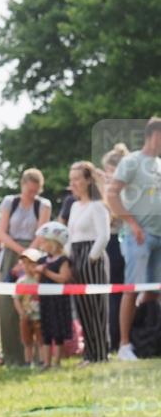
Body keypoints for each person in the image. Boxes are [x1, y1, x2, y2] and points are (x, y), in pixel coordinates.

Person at [107, 116, 161, 361]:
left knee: (153, 291)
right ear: (154, 135)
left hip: (159, 235)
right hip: (138, 236)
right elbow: (112, 194)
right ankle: (124, 345)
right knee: (131, 288)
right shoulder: (132, 162)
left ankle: (146, 336)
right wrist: (132, 223)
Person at [0, 168, 53, 365]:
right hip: (12, 252)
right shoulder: (10, 202)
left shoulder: (43, 205)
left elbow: (41, 233)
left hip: (34, 252)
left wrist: (28, 257)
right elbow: (1, 232)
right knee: (8, 305)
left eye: (35, 191)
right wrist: (20, 253)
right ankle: (12, 355)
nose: (32, 195)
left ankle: (38, 356)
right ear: (22, 186)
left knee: (34, 304)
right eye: (29, 191)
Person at [66, 161, 111, 364]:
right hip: (75, 256)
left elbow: (104, 236)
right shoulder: (75, 206)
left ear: (87, 180)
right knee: (83, 308)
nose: (73, 183)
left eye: (77, 178)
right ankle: (90, 354)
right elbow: (70, 235)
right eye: (71, 179)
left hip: (92, 257)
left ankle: (101, 354)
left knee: (96, 308)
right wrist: (68, 258)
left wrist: (91, 259)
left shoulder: (98, 206)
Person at [101, 143, 130, 352]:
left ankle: (118, 338)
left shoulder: (120, 190)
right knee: (115, 292)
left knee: (117, 293)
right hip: (114, 242)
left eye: (109, 171)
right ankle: (115, 338)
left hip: (117, 242)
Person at [34, 222, 73, 369]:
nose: (41, 244)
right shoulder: (42, 260)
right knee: (46, 331)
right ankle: (46, 362)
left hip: (58, 301)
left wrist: (45, 272)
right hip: (46, 300)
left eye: (44, 241)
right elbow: (39, 280)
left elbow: (64, 278)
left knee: (57, 332)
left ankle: (56, 362)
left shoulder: (63, 260)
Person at [14, 248, 43, 366]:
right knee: (27, 341)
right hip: (26, 317)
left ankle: (42, 360)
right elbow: (16, 299)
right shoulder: (21, 282)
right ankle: (28, 362)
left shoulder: (41, 280)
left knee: (41, 340)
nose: (27, 266)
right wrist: (22, 313)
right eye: (24, 263)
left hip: (40, 316)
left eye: (31, 263)